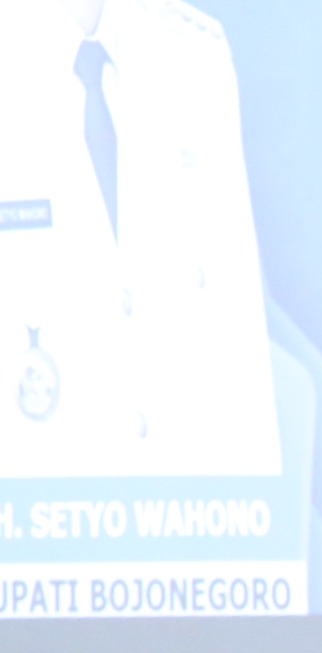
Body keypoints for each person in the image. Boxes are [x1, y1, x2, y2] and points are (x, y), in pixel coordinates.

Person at [0, 0, 281, 478]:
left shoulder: (194, 56)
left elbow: (237, 340)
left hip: (192, 500)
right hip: (35, 506)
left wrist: (257, 510)